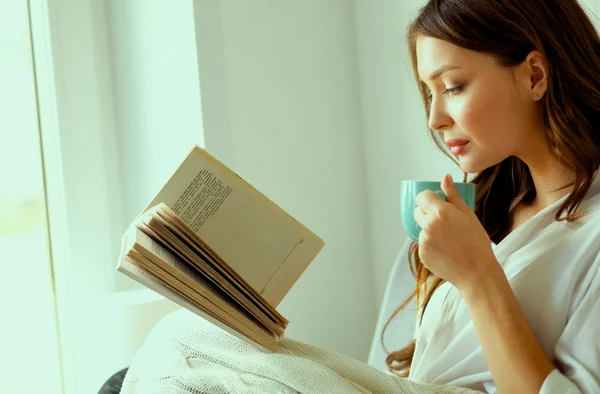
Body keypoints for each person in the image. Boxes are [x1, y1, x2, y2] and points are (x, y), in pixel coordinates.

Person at [381, 0, 600, 393]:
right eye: (430, 94)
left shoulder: (592, 235)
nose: (435, 119)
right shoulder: (482, 213)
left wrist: (478, 275)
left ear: (534, 76)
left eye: (452, 87)